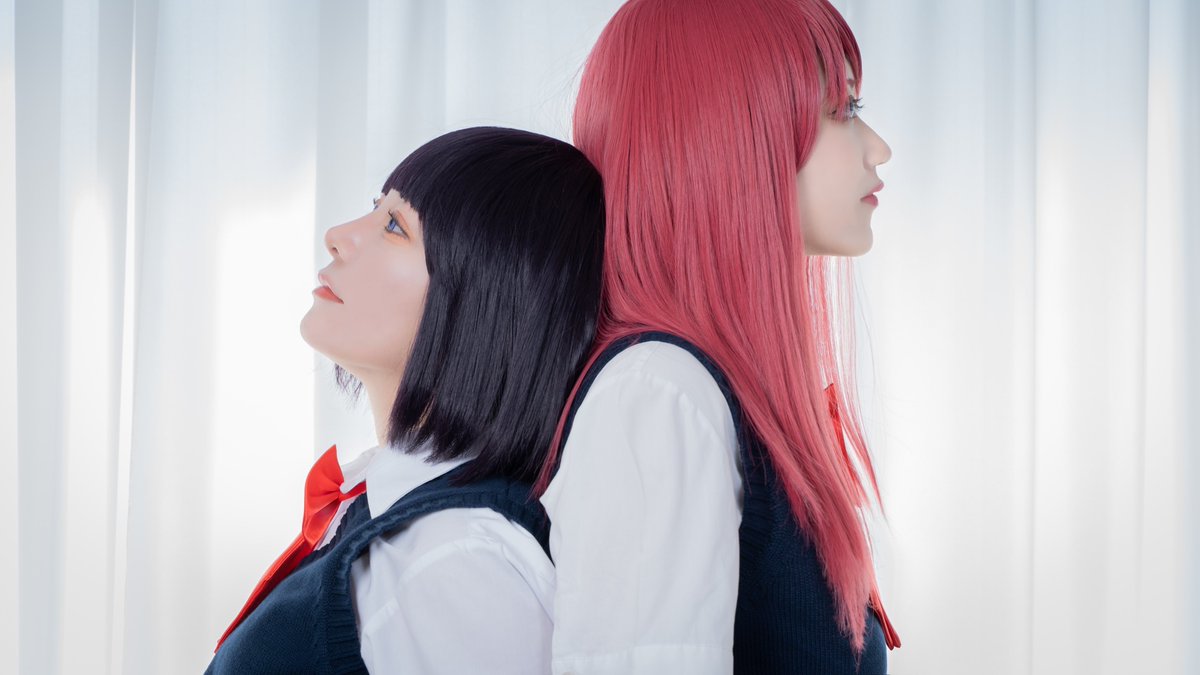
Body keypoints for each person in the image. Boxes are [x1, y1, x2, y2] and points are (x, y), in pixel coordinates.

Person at [534, 0, 899, 673]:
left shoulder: (693, 391)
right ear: (729, 132)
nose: (878, 147)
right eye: (843, 110)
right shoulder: (657, 394)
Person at [207, 126, 605, 673]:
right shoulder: (410, 525)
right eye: (377, 208)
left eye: (395, 226)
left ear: (483, 302)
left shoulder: (457, 562)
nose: (337, 236)